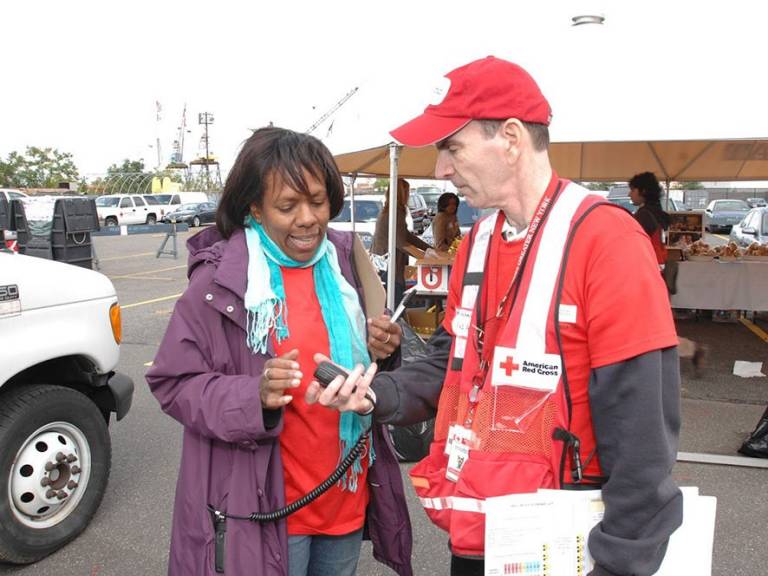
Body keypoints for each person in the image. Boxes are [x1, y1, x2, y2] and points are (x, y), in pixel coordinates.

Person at [307, 56, 683, 576]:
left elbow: (642, 428)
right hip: (486, 528)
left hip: (570, 534)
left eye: (451, 148)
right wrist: (376, 395)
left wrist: (622, 560)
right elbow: (451, 362)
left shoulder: (607, 240)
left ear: (510, 137)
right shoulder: (478, 243)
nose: (440, 168)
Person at [146, 127, 412, 576]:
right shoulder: (221, 282)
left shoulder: (345, 263)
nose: (307, 219)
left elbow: (370, 365)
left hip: (343, 496)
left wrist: (384, 350)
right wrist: (253, 396)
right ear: (255, 208)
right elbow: (173, 382)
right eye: (287, 206)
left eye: (318, 201)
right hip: (266, 507)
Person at [629, 171, 707, 375]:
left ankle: (690, 351)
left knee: (652, 325)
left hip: (648, 275)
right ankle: (689, 351)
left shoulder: (644, 215)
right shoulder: (656, 212)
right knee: (654, 323)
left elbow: (633, 244)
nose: (630, 194)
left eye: (633, 189)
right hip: (660, 272)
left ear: (642, 191)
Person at [371, 177, 431, 303]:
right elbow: (401, 242)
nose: (408, 196)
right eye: (407, 192)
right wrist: (425, 256)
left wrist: (428, 249)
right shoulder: (395, 212)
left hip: (383, 262)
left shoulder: (392, 210)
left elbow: (406, 235)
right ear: (402, 193)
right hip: (388, 263)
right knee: (395, 300)